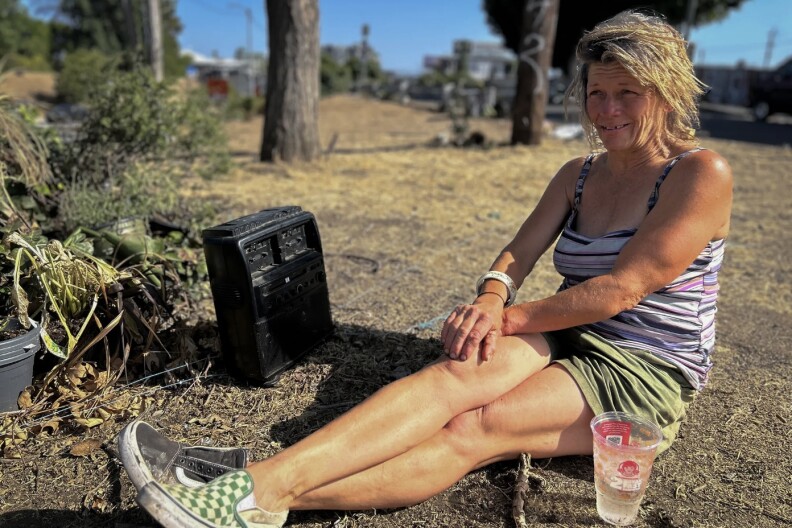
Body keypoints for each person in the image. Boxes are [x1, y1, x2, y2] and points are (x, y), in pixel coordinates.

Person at [118, 10, 732, 528]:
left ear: (667, 90)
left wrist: (509, 315)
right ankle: (254, 488)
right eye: (596, 92)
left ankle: (253, 491)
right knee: (453, 376)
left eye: (627, 92)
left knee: (475, 426)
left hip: (648, 364)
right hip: (571, 329)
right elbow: (518, 253)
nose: (607, 109)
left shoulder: (701, 174)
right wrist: (493, 296)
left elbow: (623, 290)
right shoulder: (578, 172)